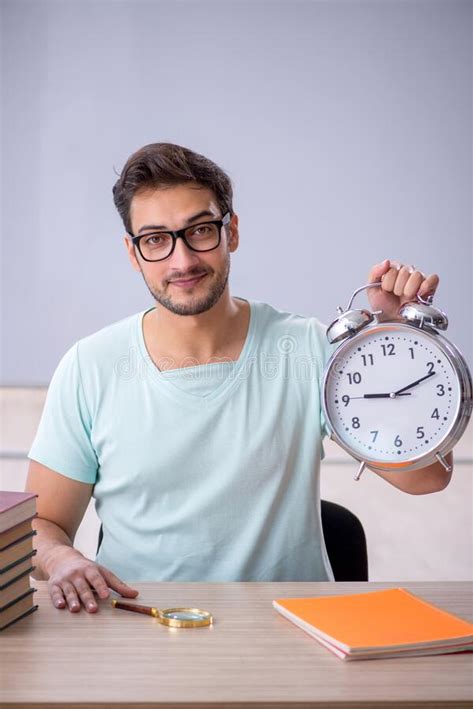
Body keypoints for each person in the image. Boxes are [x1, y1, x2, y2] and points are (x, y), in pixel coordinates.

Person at [25, 143, 450, 613]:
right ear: (133, 252)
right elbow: (41, 523)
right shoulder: (90, 366)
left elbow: (425, 478)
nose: (182, 261)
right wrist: (61, 557)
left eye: (201, 230)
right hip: (139, 631)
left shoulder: (311, 350)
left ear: (233, 231)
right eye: (155, 240)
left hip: (292, 636)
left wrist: (401, 345)